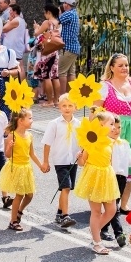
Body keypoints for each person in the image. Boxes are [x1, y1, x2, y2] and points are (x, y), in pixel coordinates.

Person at [94, 53, 131, 215]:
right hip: (113, 131)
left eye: (126, 65)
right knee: (112, 167)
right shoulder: (104, 86)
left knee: (130, 166)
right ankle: (108, 203)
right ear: (112, 67)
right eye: (120, 65)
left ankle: (123, 204)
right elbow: (96, 111)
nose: (124, 68)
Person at [75, 110, 120, 255]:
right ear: (101, 125)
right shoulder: (90, 142)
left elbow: (109, 161)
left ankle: (95, 229)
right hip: (93, 177)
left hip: (107, 176)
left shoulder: (110, 142)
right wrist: (79, 157)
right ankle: (97, 242)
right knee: (96, 211)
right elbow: (82, 163)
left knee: (112, 210)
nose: (114, 127)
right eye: (111, 124)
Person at [0, 108, 43, 232]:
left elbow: (32, 154)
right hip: (16, 168)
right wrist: (9, 147)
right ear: (21, 121)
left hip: (26, 168)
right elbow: (7, 155)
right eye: (30, 118)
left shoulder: (30, 135)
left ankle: (19, 212)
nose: (32, 121)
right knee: (19, 194)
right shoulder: (12, 135)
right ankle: (13, 221)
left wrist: (41, 165)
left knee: (30, 195)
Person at [41, 94, 80, 228]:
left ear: (76, 107)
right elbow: (47, 143)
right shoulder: (54, 124)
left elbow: (83, 142)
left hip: (72, 161)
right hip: (60, 161)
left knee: (67, 189)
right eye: (64, 105)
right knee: (66, 187)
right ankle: (65, 216)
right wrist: (45, 161)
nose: (67, 108)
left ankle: (59, 212)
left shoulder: (79, 124)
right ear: (59, 107)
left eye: (70, 105)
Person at [100, 115, 131, 247]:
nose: (116, 130)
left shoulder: (125, 143)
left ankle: (102, 229)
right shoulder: (104, 143)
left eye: (119, 127)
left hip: (122, 178)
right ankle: (119, 233)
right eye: (113, 127)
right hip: (110, 177)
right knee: (113, 206)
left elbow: (129, 161)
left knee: (113, 205)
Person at [32, 4, 61, 106]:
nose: (44, 14)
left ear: (49, 12)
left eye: (45, 12)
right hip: (54, 51)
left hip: (46, 52)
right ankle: (57, 101)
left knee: (46, 76)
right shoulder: (57, 23)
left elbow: (37, 34)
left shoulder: (47, 22)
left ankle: (49, 101)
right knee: (55, 76)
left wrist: (36, 28)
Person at [57, 0, 80, 95]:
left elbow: (56, 21)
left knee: (61, 72)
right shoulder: (74, 14)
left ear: (66, 4)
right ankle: (71, 96)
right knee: (71, 73)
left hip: (68, 48)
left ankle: (62, 97)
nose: (62, 5)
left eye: (63, 3)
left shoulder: (68, 14)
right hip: (74, 48)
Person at [2, 4, 28, 79]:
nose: (9, 12)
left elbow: (4, 29)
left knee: (19, 66)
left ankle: (21, 84)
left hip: (14, 48)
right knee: (20, 66)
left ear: (14, 11)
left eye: (10, 10)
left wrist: (9, 20)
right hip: (17, 46)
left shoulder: (15, 20)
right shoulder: (21, 20)